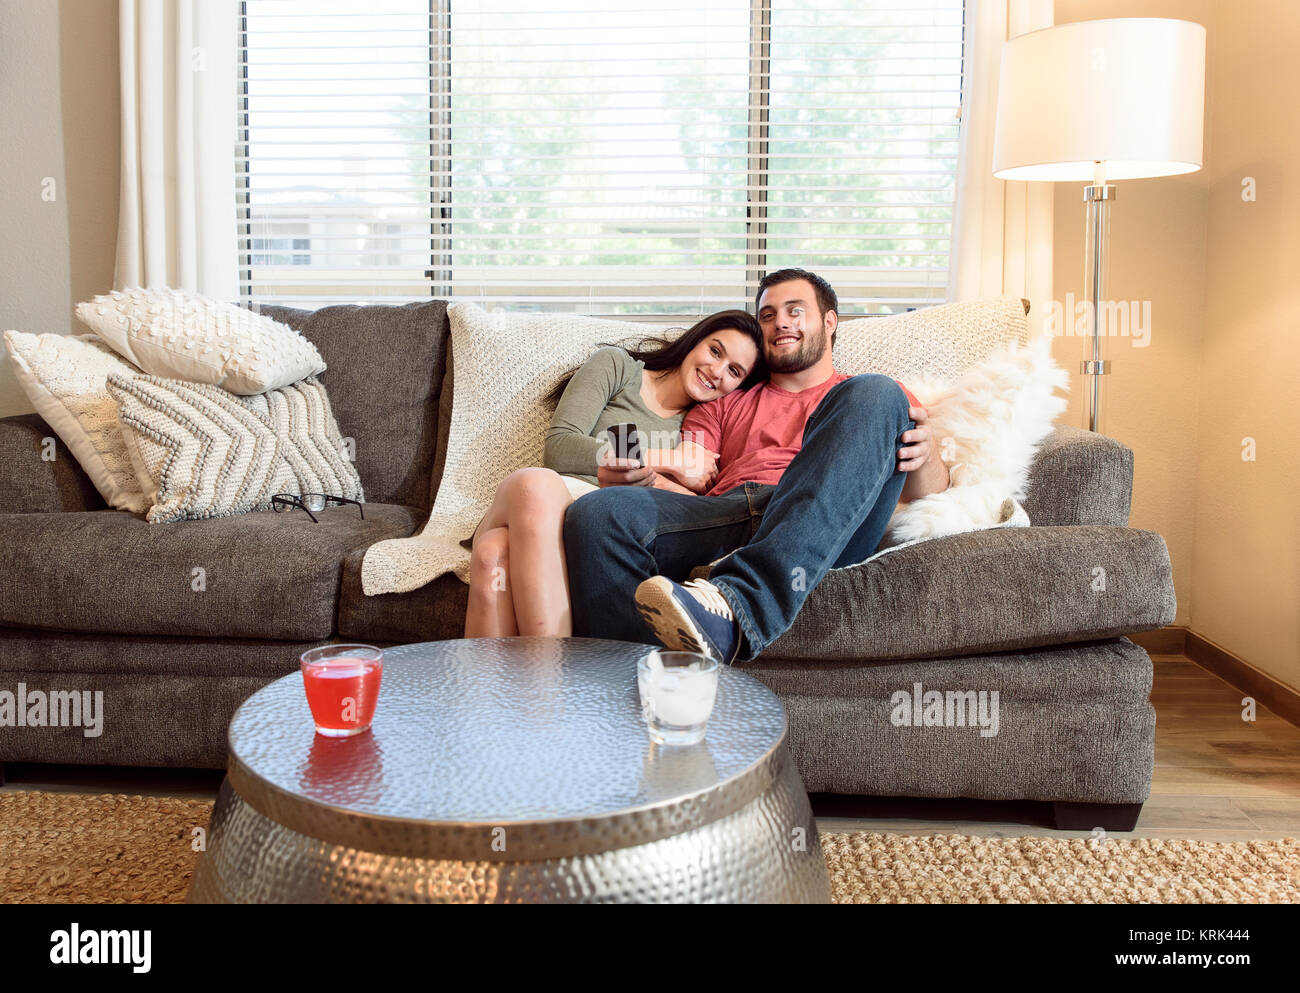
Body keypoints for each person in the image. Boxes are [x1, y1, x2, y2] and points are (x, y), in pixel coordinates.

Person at [562, 268, 949, 664]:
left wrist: (929, 454)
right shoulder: (721, 404)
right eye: (768, 315)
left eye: (795, 311)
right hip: (731, 512)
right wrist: (643, 477)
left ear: (829, 322)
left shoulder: (870, 400)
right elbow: (689, 480)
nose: (780, 321)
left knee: (877, 390)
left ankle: (739, 607)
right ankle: (626, 689)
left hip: (827, 519)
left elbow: (931, 496)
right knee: (598, 513)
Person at [464, 310, 765, 639]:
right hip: (540, 505)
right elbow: (561, 446)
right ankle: (554, 682)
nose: (716, 371)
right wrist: (669, 460)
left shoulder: (704, 428)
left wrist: (655, 474)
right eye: (715, 351)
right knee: (535, 485)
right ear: (695, 341)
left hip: (596, 532)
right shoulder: (619, 368)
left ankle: (507, 689)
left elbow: (687, 510)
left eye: (734, 371)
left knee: (494, 551)